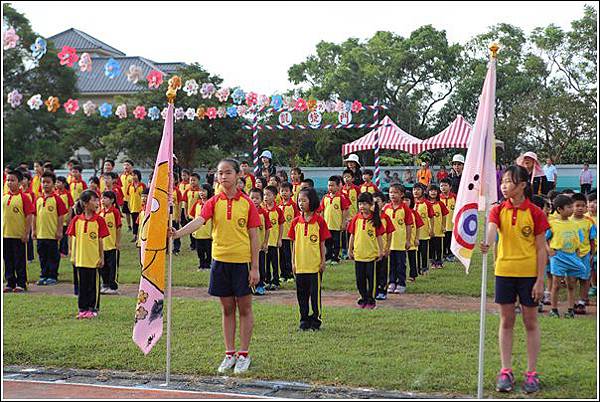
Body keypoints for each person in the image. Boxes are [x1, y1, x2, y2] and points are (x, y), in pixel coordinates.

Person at [169, 158, 260, 374]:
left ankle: (244, 355)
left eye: (228, 172)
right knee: (227, 309)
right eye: (220, 173)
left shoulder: (247, 203)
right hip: (219, 261)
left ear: (238, 175)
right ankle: (229, 354)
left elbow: (254, 237)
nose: (223, 177)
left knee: (244, 309)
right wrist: (177, 233)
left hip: (241, 264)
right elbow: (199, 221)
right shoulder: (213, 201)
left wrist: (255, 268)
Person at [480, 165, 549, 394]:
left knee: (530, 322)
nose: (504, 186)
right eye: (502, 182)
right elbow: (491, 229)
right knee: (506, 320)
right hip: (504, 272)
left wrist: (540, 281)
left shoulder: (536, 213)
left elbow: (541, 250)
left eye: (509, 181)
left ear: (522, 185)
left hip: (528, 275)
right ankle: (505, 371)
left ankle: (531, 373)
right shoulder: (498, 210)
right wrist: (487, 243)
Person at [289, 187, 331, 330]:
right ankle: (304, 319)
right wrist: (293, 262)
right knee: (301, 294)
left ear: (311, 201)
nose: (301, 203)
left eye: (304, 200)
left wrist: (322, 261)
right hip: (300, 265)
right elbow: (294, 243)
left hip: (314, 265)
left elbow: (322, 243)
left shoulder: (319, 221)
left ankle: (316, 319)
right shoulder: (295, 222)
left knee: (314, 295)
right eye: (299, 200)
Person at [67, 190, 109, 319]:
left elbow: (100, 240)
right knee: (82, 285)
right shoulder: (76, 220)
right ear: (85, 204)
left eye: (98, 200)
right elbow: (71, 236)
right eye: (94, 200)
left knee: (93, 285)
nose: (97, 203)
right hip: (80, 259)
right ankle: (82, 308)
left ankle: (93, 308)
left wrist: (101, 257)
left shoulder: (99, 220)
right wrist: (71, 254)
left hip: (93, 260)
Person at [546, 194, 585, 319]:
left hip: (572, 255)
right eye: (568, 207)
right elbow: (544, 238)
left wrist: (578, 251)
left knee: (572, 283)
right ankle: (554, 309)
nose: (572, 209)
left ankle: (570, 309)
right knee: (556, 284)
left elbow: (578, 239)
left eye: (571, 206)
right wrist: (549, 250)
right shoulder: (552, 224)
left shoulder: (575, 224)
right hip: (558, 256)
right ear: (559, 209)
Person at [348, 192, 386, 309]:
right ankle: (363, 297)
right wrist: (350, 249)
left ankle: (371, 299)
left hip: (371, 255)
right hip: (359, 254)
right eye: (360, 204)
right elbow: (352, 235)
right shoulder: (356, 219)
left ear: (371, 205)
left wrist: (381, 251)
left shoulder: (375, 220)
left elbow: (379, 237)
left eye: (365, 204)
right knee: (360, 279)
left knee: (372, 279)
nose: (362, 206)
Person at [33, 171, 69, 286]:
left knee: (52, 256)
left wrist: (59, 230)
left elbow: (60, 216)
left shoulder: (57, 199)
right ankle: (43, 275)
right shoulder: (38, 199)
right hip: (40, 234)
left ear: (53, 184)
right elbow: (35, 215)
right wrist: (34, 230)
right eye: (43, 182)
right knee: (42, 255)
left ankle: (52, 275)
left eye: (48, 182)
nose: (45, 185)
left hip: (52, 234)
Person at [3, 170, 35, 292]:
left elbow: (29, 215)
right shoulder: (4, 197)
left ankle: (21, 283)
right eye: (8, 180)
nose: (10, 183)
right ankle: (10, 282)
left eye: (12, 180)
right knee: (8, 259)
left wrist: (26, 233)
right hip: (5, 234)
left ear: (19, 182)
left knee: (19, 260)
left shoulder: (24, 198)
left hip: (18, 235)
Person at [382, 184, 413, 295]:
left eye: (395, 192)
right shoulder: (386, 208)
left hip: (400, 241)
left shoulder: (405, 208)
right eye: (391, 192)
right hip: (389, 242)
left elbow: (409, 225)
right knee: (391, 263)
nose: (392, 195)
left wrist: (408, 240)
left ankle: (401, 283)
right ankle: (392, 282)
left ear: (401, 194)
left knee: (401, 263)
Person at [570, 193, 596, 314]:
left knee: (584, 279)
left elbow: (592, 239)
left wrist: (591, 254)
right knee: (572, 279)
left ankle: (581, 302)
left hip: (585, 255)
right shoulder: (568, 221)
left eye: (583, 206)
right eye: (577, 205)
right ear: (571, 206)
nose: (580, 208)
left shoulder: (589, 222)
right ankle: (572, 302)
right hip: (571, 256)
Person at [319, 176, 350, 265]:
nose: (330, 187)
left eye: (332, 185)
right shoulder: (325, 197)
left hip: (336, 225)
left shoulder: (341, 198)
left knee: (336, 242)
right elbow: (322, 210)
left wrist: (343, 222)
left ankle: (335, 257)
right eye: (329, 185)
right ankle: (328, 256)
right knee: (328, 242)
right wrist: (322, 222)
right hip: (327, 225)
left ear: (337, 186)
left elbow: (345, 210)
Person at [249, 188, 271, 296]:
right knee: (248, 267)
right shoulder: (246, 212)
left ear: (262, 199)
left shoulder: (264, 213)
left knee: (261, 266)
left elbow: (267, 229)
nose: (254, 200)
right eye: (252, 198)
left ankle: (260, 285)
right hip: (248, 247)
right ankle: (249, 286)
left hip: (260, 247)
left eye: (257, 198)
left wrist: (265, 243)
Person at [373, 192, 395, 300]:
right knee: (372, 272)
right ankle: (373, 290)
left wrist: (387, 248)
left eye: (378, 202)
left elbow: (390, 233)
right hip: (371, 250)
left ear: (384, 203)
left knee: (382, 271)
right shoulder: (368, 217)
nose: (376, 204)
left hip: (382, 250)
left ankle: (382, 290)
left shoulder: (385, 217)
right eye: (373, 202)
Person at [99, 191, 121, 295]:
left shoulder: (115, 212)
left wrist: (117, 242)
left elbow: (118, 228)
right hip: (102, 246)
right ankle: (105, 284)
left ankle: (113, 286)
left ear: (112, 200)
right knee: (103, 267)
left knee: (112, 267)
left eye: (105, 198)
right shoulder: (100, 212)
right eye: (102, 198)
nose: (103, 200)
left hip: (111, 245)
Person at [264, 185, 285, 290]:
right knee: (265, 263)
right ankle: (267, 281)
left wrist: (279, 239)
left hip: (274, 242)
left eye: (268, 195)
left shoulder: (278, 210)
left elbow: (281, 225)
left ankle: (276, 281)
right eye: (264, 195)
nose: (265, 197)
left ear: (275, 196)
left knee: (275, 263)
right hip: (264, 243)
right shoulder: (262, 210)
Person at [279, 182, 300, 283]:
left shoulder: (294, 206)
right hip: (279, 236)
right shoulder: (278, 206)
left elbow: (297, 220)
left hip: (289, 236)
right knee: (281, 256)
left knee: (289, 256)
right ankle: (283, 274)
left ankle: (290, 274)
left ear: (291, 193)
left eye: (286, 191)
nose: (284, 193)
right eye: (282, 191)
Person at [190, 184, 213, 270]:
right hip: (199, 233)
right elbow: (193, 216)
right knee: (200, 251)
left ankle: (208, 264)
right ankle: (201, 264)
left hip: (208, 233)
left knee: (209, 250)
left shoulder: (211, 203)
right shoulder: (197, 203)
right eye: (200, 191)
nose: (201, 193)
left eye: (204, 191)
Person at [412, 183, 434, 275]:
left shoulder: (427, 203)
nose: (416, 191)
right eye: (414, 190)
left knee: (424, 251)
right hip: (413, 233)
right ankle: (416, 269)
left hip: (424, 233)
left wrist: (431, 229)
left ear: (423, 191)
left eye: (418, 189)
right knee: (415, 252)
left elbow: (431, 217)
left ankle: (424, 268)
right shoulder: (411, 203)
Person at [427, 184, 449, 269]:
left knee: (438, 246)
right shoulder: (426, 204)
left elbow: (444, 215)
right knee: (431, 246)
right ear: (428, 192)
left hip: (438, 229)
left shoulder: (440, 204)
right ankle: (432, 262)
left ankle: (439, 261)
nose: (433, 192)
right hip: (429, 229)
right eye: (431, 190)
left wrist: (443, 226)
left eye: (435, 191)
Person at [403, 192, 423, 282]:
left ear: (411, 201)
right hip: (400, 240)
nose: (404, 202)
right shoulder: (400, 211)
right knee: (401, 260)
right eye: (403, 200)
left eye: (407, 200)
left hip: (411, 240)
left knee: (412, 258)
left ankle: (413, 275)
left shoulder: (414, 213)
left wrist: (417, 238)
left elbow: (418, 226)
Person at [341, 170, 360, 260]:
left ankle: (353, 250)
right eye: (344, 177)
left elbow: (360, 202)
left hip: (354, 215)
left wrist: (359, 213)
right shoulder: (342, 189)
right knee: (344, 234)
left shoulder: (356, 189)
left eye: (348, 177)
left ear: (352, 178)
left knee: (352, 234)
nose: (346, 179)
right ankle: (345, 251)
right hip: (344, 216)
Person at [55, 176, 74, 257]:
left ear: (64, 184)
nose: (56, 184)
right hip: (56, 219)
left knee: (64, 236)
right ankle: (56, 250)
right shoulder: (54, 193)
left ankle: (64, 251)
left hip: (65, 219)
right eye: (56, 182)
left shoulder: (67, 194)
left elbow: (70, 207)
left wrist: (69, 217)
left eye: (59, 182)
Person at [127, 170, 146, 244]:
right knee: (134, 222)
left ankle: (141, 235)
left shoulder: (142, 185)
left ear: (139, 176)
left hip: (140, 208)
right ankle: (135, 235)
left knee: (140, 222)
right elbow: (128, 196)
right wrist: (129, 205)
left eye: (135, 175)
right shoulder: (130, 186)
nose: (133, 177)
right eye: (132, 175)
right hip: (133, 207)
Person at [439, 178, 456, 262]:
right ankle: (442, 255)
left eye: (445, 185)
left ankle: (450, 254)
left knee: (450, 240)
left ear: (450, 187)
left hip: (452, 224)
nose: (443, 187)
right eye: (441, 185)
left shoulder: (454, 197)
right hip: (441, 225)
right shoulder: (438, 198)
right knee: (442, 241)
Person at [586, 193, 597, 297]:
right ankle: (593, 286)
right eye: (590, 202)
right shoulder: (585, 218)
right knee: (591, 267)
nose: (593, 204)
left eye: (596, 202)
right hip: (588, 247)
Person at [120, 160, 135, 232]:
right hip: (124, 198)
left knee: (133, 212)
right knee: (126, 213)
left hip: (132, 198)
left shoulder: (133, 176)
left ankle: (134, 225)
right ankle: (129, 226)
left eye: (128, 165)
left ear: (132, 166)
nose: (126, 166)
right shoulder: (121, 175)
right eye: (124, 165)